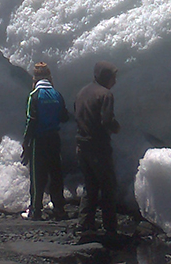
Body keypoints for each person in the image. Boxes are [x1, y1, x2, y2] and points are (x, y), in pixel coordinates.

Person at [74, 61, 121, 243]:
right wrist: (116, 128)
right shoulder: (105, 95)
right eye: (113, 77)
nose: (115, 82)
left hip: (81, 146)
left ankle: (84, 226)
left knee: (90, 186)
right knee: (108, 187)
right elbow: (107, 121)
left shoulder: (81, 93)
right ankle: (110, 230)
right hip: (98, 147)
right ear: (106, 77)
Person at [22, 62, 69, 220]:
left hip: (39, 139)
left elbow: (31, 120)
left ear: (35, 78)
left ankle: (35, 210)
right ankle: (59, 208)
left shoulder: (34, 95)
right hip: (54, 138)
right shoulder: (57, 94)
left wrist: (26, 141)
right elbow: (64, 117)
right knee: (56, 173)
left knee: (37, 175)